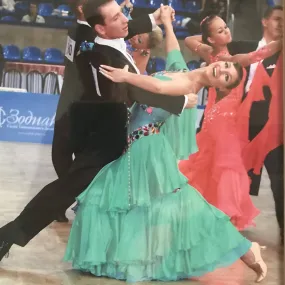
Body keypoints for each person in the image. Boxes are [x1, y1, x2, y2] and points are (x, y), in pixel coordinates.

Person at [64, 8, 267, 283]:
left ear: (219, 87)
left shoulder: (189, 89)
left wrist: (127, 77)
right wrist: (168, 23)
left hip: (146, 147)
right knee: (127, 203)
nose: (223, 70)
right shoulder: (183, 71)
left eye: (226, 77)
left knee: (150, 204)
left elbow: (157, 89)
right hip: (136, 144)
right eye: (226, 66)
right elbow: (172, 48)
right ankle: (118, 257)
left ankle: (243, 249)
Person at [0, 0, 193, 262]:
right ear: (99, 27)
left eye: (121, 13)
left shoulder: (102, 37)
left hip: (104, 126)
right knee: (67, 188)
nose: (124, 18)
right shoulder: (99, 54)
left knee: (81, 190)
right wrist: (180, 101)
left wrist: (154, 18)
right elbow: (134, 90)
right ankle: (9, 235)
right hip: (104, 137)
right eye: (116, 17)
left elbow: (122, 25)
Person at [177, 14, 281, 231]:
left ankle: (210, 211)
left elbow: (189, 40)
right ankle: (225, 215)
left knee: (213, 161)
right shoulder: (233, 60)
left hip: (215, 115)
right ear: (212, 38)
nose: (227, 31)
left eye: (226, 27)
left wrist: (207, 40)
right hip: (225, 117)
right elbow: (262, 52)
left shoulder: (209, 53)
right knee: (227, 164)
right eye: (221, 30)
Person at [234, 5, 284, 244]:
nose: (281, 24)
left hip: (274, 128)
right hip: (244, 125)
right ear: (265, 21)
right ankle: (227, 227)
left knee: (279, 180)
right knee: (236, 178)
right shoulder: (245, 48)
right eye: (277, 19)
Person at [51, 0, 96, 223]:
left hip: (80, 107)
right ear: (80, 8)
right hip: (73, 103)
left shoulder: (86, 32)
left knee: (66, 156)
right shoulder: (80, 31)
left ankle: (73, 200)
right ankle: (71, 199)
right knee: (62, 156)